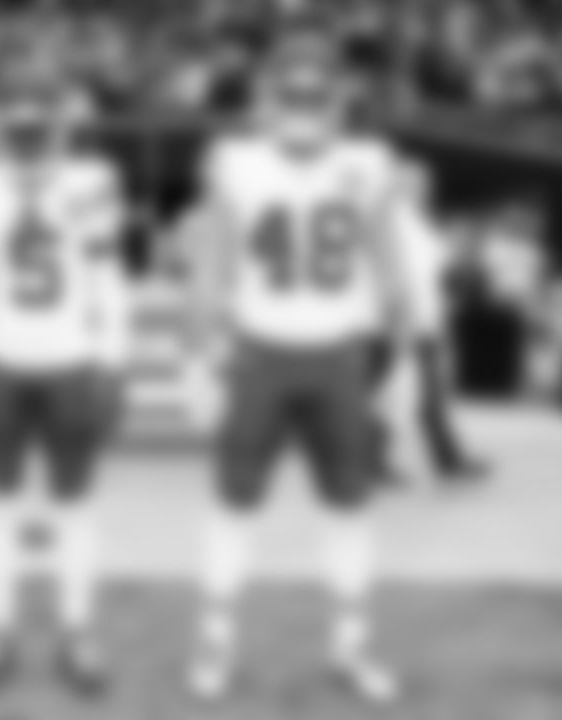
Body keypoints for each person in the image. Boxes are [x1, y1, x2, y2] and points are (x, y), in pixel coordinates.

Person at [177, 29, 412, 704]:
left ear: (338, 98)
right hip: (260, 354)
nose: (306, 103)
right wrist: (198, 354)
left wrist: (405, 361)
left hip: (339, 354)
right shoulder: (237, 163)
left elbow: (390, 265)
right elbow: (212, 265)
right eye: (294, 91)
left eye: (317, 91)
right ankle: (216, 644)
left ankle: (350, 646)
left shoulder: (368, 164)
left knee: (349, 509)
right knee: (233, 507)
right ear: (269, 98)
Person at [0, 58, 131, 697]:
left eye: (37, 109)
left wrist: (112, 360)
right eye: (14, 108)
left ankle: (76, 628)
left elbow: (106, 276)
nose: (26, 124)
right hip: (1, 358)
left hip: (71, 358)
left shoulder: (93, 180)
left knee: (74, 505)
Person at [376, 161, 488, 485]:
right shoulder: (391, 222)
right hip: (398, 322)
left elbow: (434, 270)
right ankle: (372, 461)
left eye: (424, 183)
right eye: (415, 183)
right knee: (389, 394)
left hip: (425, 320)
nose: (424, 189)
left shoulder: (417, 222)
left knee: (428, 395)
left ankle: (448, 460)